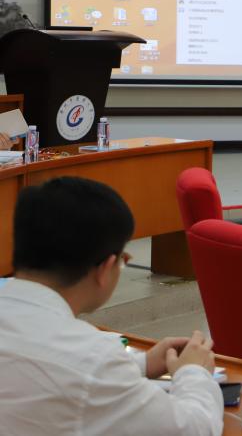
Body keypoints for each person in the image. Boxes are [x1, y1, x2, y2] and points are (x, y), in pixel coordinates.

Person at [0, 177, 222, 435]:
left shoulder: (88, 360)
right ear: (105, 268)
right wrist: (193, 372)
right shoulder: (93, 359)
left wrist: (141, 364)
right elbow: (194, 429)